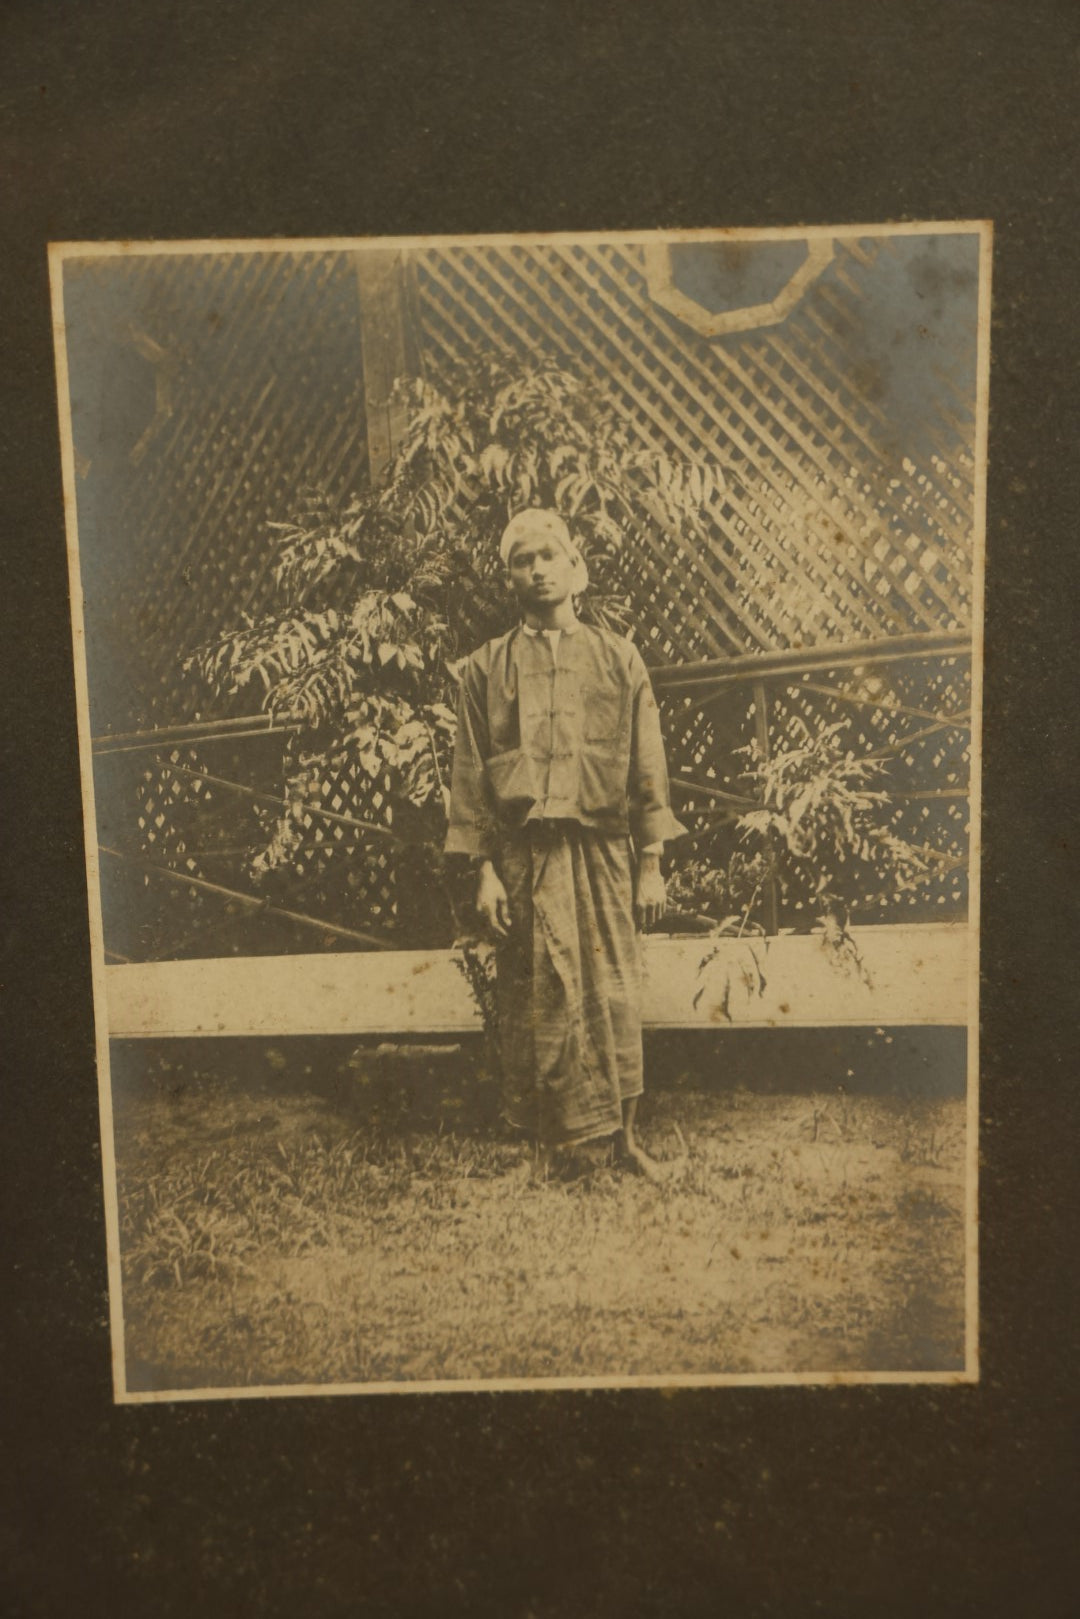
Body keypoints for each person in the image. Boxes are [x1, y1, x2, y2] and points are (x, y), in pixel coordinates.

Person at [445, 508, 688, 1179]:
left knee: (616, 993)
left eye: (548, 555)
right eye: (523, 559)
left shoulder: (618, 658)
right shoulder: (485, 669)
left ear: (575, 567)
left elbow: (647, 763)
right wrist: (485, 871)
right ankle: (551, 1148)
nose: (538, 569)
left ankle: (626, 1141)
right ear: (509, 576)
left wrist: (651, 863)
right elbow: (470, 773)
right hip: (525, 858)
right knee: (538, 995)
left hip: (604, 853)